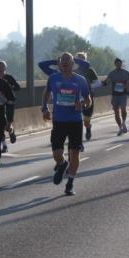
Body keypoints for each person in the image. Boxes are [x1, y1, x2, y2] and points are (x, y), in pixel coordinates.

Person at [41, 52, 91, 196]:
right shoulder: (53, 78)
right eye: (62, 61)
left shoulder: (80, 80)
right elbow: (47, 92)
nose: (64, 63)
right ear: (59, 64)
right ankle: (62, 164)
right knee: (57, 153)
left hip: (75, 121)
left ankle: (70, 183)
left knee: (74, 153)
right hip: (59, 120)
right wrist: (44, 108)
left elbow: (88, 100)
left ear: (72, 64)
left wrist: (82, 104)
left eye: (67, 61)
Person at [74, 52, 102, 146]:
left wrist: (88, 86)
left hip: (88, 97)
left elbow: (97, 83)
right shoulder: (74, 70)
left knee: (86, 121)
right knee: (76, 120)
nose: (81, 60)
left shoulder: (90, 70)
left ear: (85, 60)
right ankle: (78, 140)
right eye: (79, 59)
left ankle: (88, 127)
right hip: (76, 98)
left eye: (83, 58)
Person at [0, 60, 21, 151]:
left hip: (10, 102)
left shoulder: (9, 78)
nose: (0, 68)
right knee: (0, 125)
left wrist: (9, 88)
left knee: (7, 126)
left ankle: (11, 131)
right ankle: (4, 145)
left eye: (2, 66)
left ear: (5, 68)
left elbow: (18, 87)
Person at [105, 58, 129, 135]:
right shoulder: (112, 73)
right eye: (117, 64)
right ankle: (120, 127)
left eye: (120, 63)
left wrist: (128, 84)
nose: (118, 65)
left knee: (123, 109)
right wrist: (104, 82)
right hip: (115, 95)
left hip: (123, 94)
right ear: (115, 64)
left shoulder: (126, 72)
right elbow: (106, 82)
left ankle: (124, 123)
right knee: (116, 112)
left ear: (121, 64)